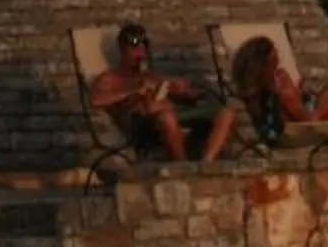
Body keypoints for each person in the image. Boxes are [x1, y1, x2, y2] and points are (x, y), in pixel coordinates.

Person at [90, 21, 237, 162]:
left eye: (143, 49)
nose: (140, 54)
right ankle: (183, 165)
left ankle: (207, 162)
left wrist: (183, 90)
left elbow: (182, 93)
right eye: (135, 49)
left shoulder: (150, 76)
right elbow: (96, 100)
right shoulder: (110, 78)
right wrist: (134, 90)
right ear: (123, 50)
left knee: (226, 113)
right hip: (144, 124)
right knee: (166, 116)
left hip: (174, 111)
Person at [226, 32, 328, 145]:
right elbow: (298, 115)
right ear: (265, 63)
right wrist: (289, 91)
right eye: (274, 61)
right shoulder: (271, 93)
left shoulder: (252, 89)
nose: (278, 62)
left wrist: (298, 90)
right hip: (303, 127)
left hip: (294, 118)